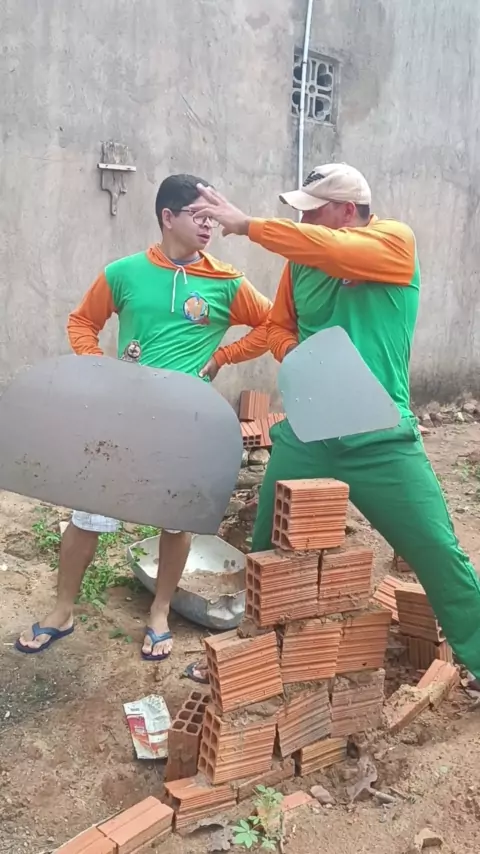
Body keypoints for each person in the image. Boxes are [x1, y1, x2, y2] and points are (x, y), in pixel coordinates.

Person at [187, 163, 480, 682]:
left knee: (436, 550)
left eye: (313, 211)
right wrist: (297, 352)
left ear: (348, 210)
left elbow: (332, 249)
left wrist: (248, 226)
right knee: (267, 546)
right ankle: (250, 656)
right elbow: (277, 326)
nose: (303, 221)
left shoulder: (394, 243)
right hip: (310, 432)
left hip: (381, 434)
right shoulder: (300, 264)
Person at [16, 173, 272, 662]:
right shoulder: (124, 273)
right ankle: (62, 611)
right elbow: (82, 321)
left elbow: (272, 322)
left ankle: (159, 612)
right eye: (199, 216)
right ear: (167, 217)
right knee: (87, 515)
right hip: (123, 418)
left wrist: (224, 357)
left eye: (213, 218)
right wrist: (98, 368)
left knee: (177, 522)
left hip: (185, 424)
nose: (209, 226)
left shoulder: (227, 282)